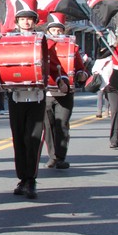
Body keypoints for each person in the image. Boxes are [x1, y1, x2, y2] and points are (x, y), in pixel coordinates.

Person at [4, 1, 66, 199]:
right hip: (16, 95)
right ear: (17, 22)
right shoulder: (7, 40)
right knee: (19, 139)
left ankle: (31, 179)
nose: (26, 23)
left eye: (30, 19)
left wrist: (60, 79)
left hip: (37, 96)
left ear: (35, 22)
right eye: (23, 19)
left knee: (33, 139)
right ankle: (22, 178)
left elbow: (53, 63)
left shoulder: (42, 39)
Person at [42, 15, 87, 170]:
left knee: (62, 125)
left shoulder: (72, 47)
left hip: (66, 92)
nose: (56, 33)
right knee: (48, 126)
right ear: (48, 31)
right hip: (47, 92)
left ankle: (61, 157)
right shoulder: (41, 46)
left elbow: (81, 68)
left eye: (59, 30)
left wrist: (81, 74)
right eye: (53, 30)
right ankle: (52, 156)